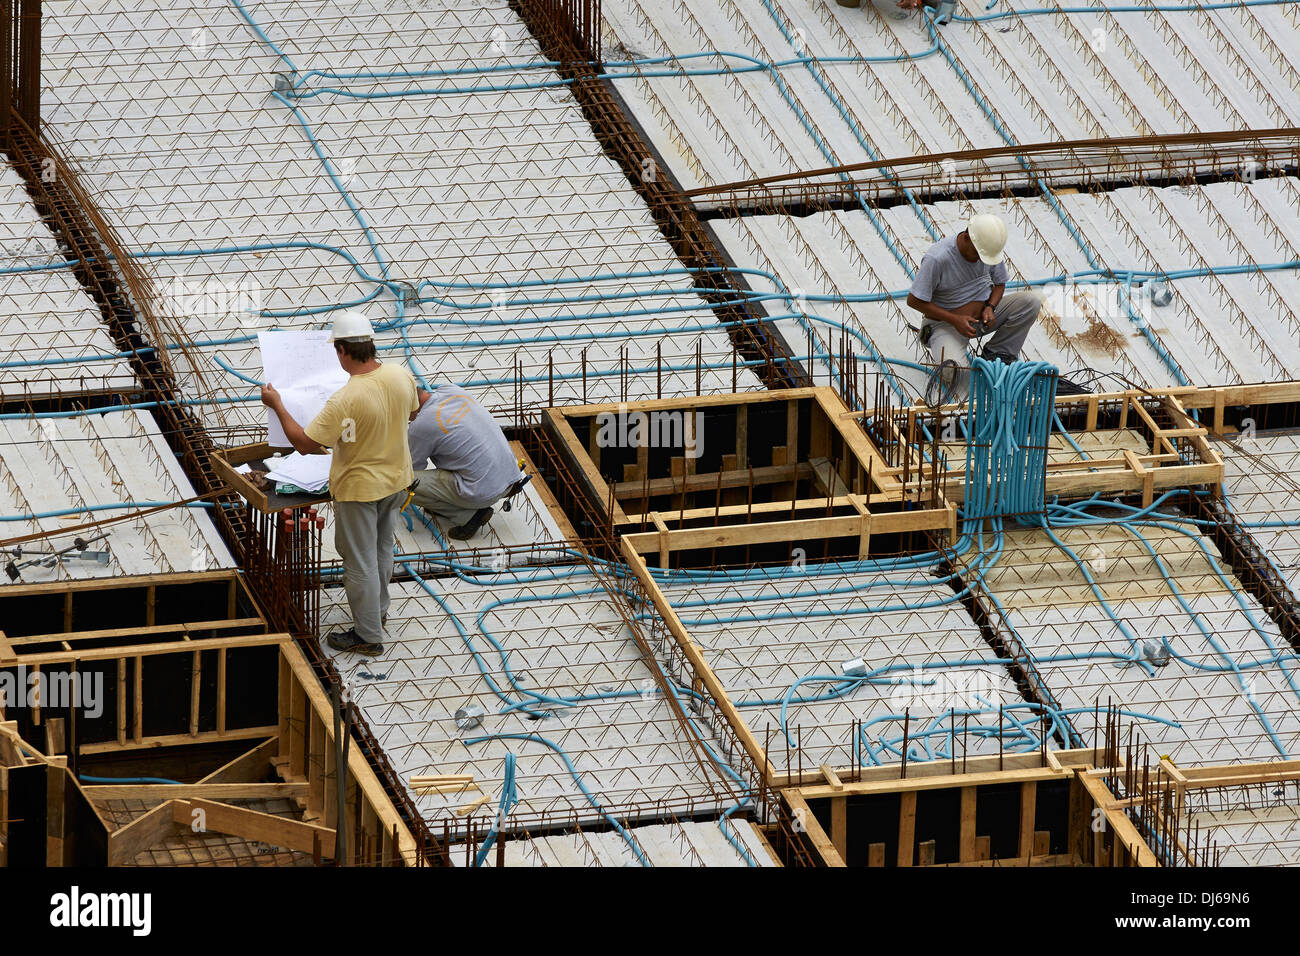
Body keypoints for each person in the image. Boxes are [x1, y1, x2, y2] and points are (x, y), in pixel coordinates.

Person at [260, 311, 419, 657]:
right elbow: (412, 411)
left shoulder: (345, 399)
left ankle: (367, 635)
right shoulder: (401, 375)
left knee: (359, 560)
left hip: (360, 489)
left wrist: (278, 405)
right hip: (396, 481)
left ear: (343, 350)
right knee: (382, 549)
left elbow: (303, 443)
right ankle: (376, 614)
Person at [907, 214, 1043, 385]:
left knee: (1030, 303)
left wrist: (990, 307)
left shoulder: (988, 249)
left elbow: (1000, 284)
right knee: (953, 373)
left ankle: (996, 354)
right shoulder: (937, 258)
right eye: (979, 254)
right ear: (966, 238)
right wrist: (954, 320)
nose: (981, 259)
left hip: (981, 319)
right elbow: (914, 300)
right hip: (946, 325)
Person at [407, 384, 524, 540]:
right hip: (509, 477)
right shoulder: (451, 390)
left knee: (400, 484)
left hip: (482, 492)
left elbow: (410, 469)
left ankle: (468, 515)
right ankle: (451, 504)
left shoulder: (421, 425)